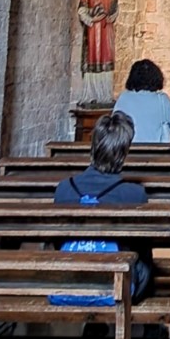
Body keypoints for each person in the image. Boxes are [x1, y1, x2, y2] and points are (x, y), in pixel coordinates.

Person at [53, 109, 153, 301]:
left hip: (71, 276)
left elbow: (58, 242)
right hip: (116, 280)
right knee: (145, 263)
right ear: (123, 152)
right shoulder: (134, 194)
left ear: (93, 147)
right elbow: (141, 246)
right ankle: (150, 328)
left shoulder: (64, 189)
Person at [114, 59, 170, 144]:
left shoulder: (123, 98)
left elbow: (114, 128)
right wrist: (162, 128)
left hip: (128, 152)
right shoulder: (162, 100)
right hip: (156, 153)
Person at [77, 0, 118, 77]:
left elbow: (116, 7)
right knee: (93, 54)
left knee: (107, 55)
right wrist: (93, 18)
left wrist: (112, 16)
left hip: (107, 28)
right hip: (94, 29)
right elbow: (81, 10)